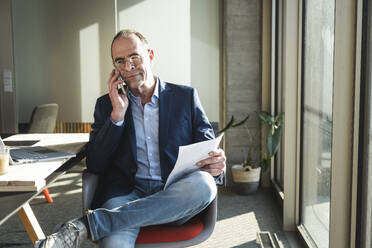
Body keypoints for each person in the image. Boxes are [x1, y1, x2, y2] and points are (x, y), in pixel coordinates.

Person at [36, 29, 226, 248]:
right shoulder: (106, 105)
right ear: (115, 68)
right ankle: (105, 222)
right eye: (120, 61)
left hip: (174, 194)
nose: (128, 67)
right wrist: (117, 116)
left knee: (204, 186)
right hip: (126, 193)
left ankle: (89, 226)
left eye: (135, 57)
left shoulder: (185, 97)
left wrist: (218, 165)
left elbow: (209, 149)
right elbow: (95, 164)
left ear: (150, 56)